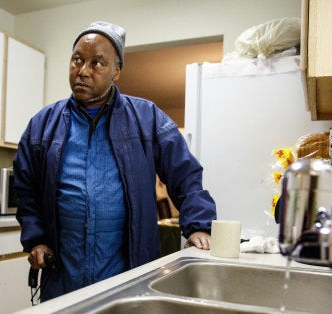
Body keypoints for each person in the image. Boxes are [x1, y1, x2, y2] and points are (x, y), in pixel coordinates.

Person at [13, 21, 217, 301]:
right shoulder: (43, 124)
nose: (83, 71)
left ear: (116, 71)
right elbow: (26, 190)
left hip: (127, 274)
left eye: (96, 63)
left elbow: (186, 175)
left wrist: (199, 226)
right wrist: (36, 239)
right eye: (77, 60)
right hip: (63, 274)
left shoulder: (148, 119)